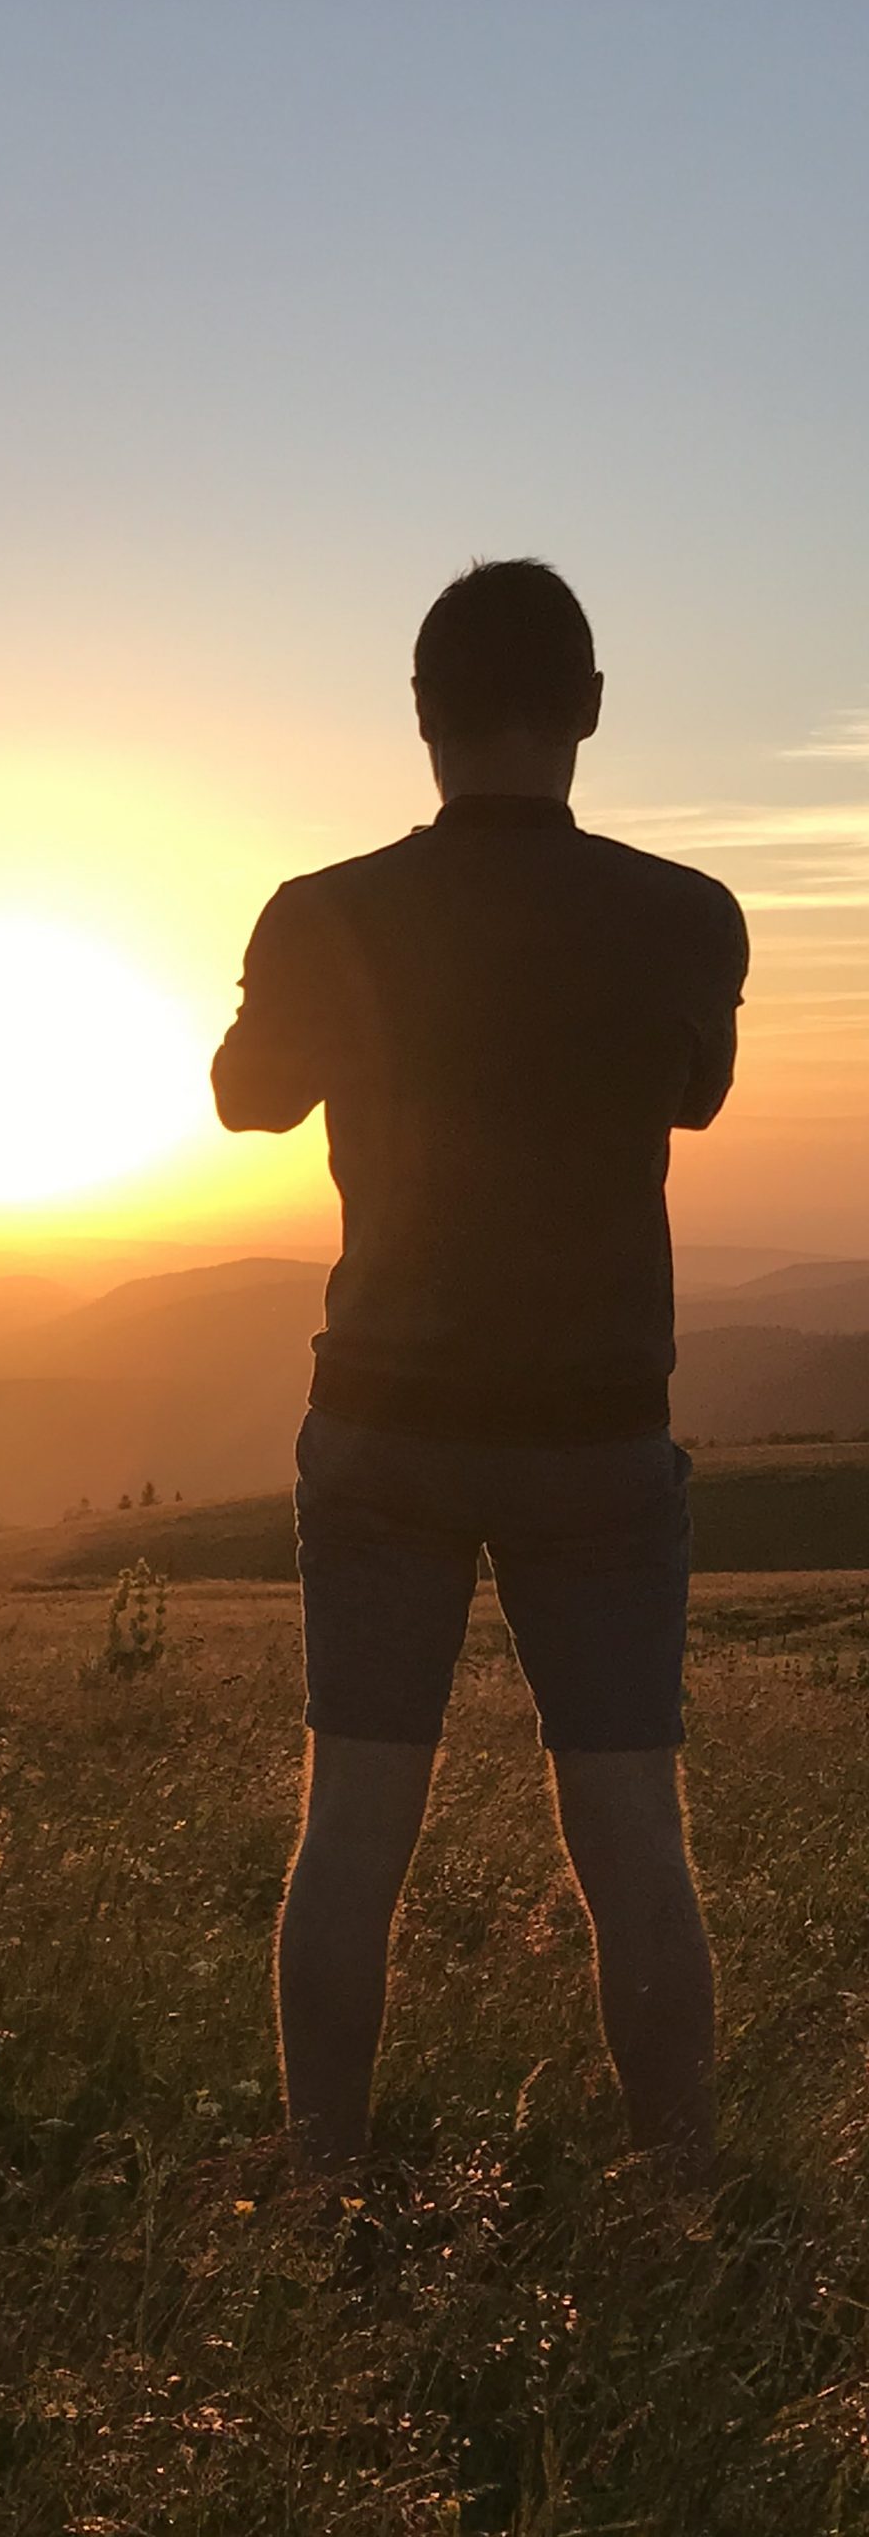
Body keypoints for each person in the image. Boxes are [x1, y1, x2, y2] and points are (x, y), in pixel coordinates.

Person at [212, 559, 747, 2173]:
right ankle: (677, 2203)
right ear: (586, 711)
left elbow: (248, 1100)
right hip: (597, 1425)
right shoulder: (683, 916)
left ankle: (323, 2190)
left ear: (425, 721)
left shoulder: (325, 912)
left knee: (352, 1833)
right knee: (633, 1837)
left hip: (384, 1418)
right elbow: (699, 1100)